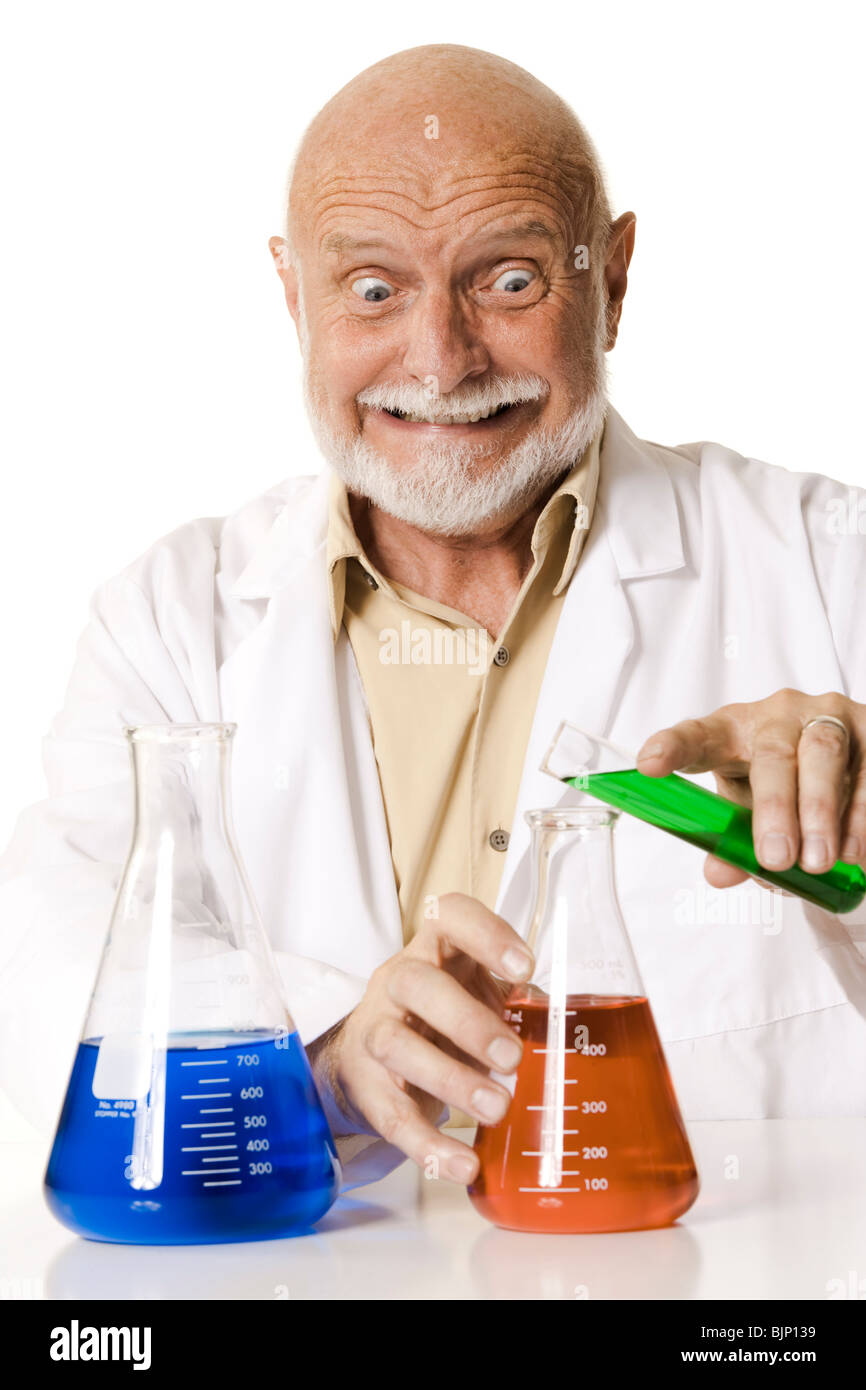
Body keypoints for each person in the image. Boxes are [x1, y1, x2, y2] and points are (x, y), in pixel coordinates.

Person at [2, 45, 865, 1190]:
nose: (440, 361)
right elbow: (58, 983)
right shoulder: (170, 624)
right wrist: (319, 1064)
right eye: (372, 288)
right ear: (292, 295)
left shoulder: (827, 569)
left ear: (611, 278)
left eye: (507, 280)